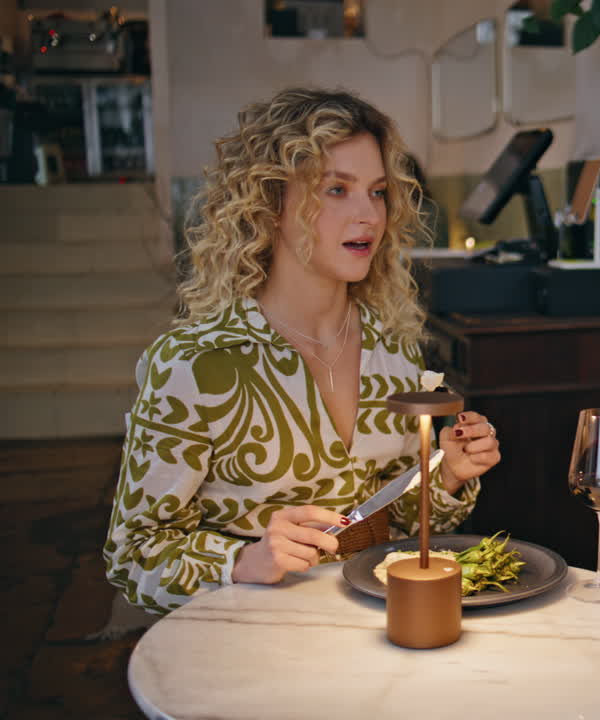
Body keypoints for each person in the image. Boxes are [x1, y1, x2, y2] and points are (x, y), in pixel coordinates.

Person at [104, 88, 501, 615]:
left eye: (378, 192)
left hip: (371, 629)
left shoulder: (393, 355)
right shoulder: (196, 365)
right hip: (249, 643)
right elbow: (133, 554)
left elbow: (394, 519)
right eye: (336, 189)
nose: (368, 215)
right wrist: (243, 561)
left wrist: (447, 472)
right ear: (269, 204)